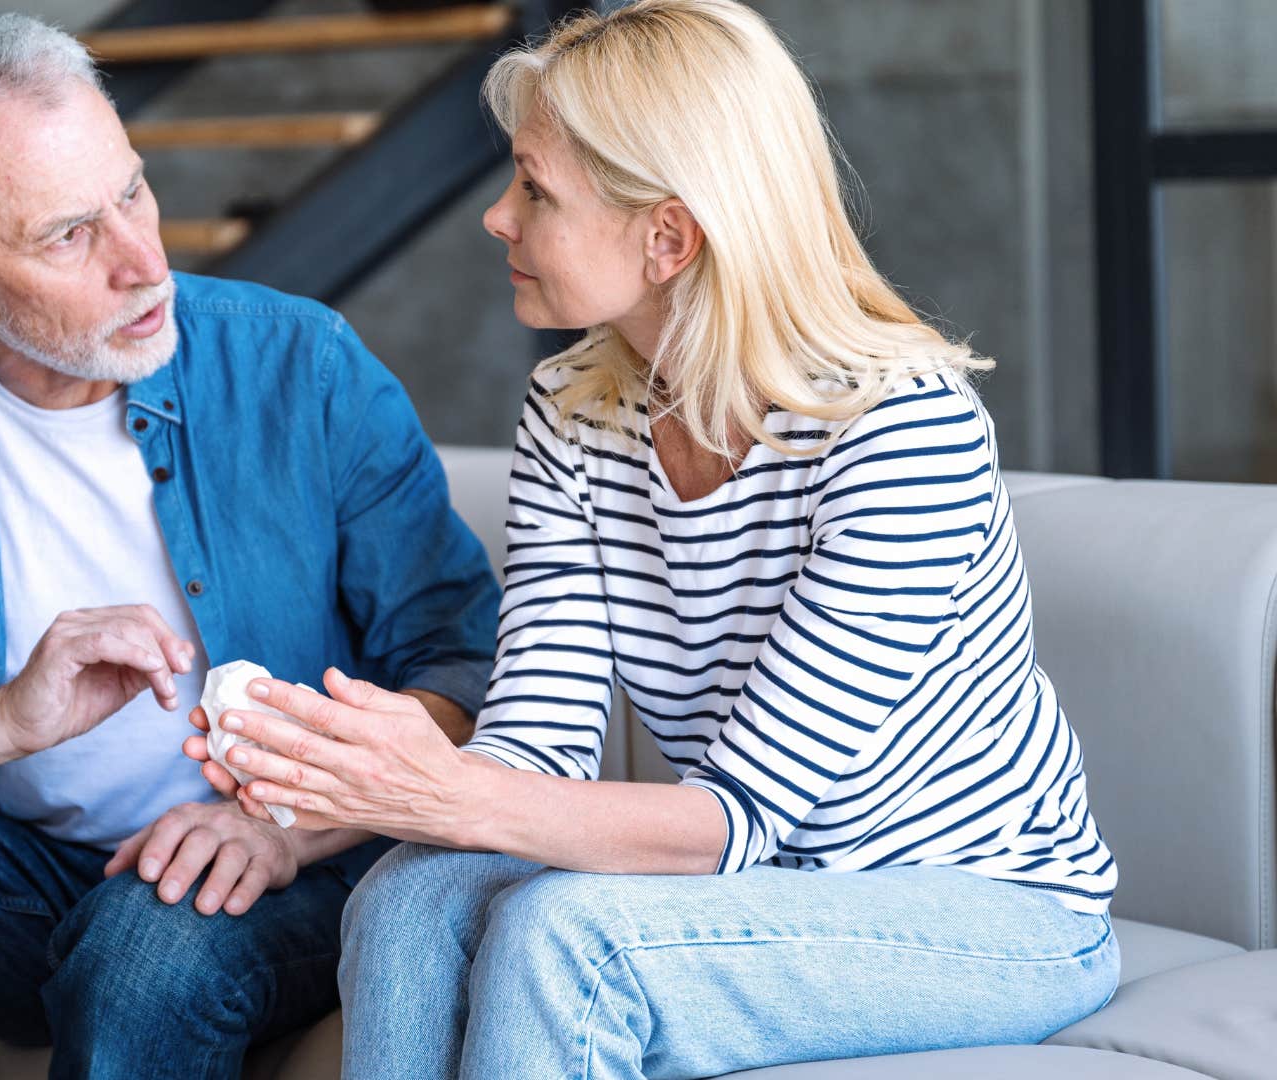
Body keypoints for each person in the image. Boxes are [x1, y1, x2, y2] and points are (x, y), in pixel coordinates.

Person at [185, 2, 1120, 1076]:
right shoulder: (575, 414)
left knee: (567, 940)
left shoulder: (901, 431)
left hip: (991, 910)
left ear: (667, 236)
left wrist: (436, 789)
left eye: (536, 188)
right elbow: (538, 739)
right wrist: (345, 773)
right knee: (410, 893)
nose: (497, 216)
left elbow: (735, 818)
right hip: (766, 888)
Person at [0, 12, 499, 1079]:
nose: (145, 260)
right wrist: (2, 717)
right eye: (70, 235)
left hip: (294, 868)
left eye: (133, 192)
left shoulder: (303, 363)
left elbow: (467, 665)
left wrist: (283, 822)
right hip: (20, 875)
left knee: (152, 941)